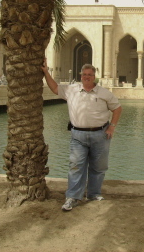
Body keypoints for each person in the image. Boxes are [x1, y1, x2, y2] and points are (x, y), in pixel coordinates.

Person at [42, 59, 122, 211]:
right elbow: (54, 88)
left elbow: (117, 109)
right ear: (80, 76)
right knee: (76, 166)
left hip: (100, 135)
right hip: (78, 135)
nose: (87, 77)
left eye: (90, 75)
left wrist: (112, 127)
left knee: (99, 167)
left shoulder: (104, 93)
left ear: (94, 77)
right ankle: (72, 197)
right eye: (84, 74)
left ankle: (93, 194)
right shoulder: (71, 90)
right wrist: (46, 72)